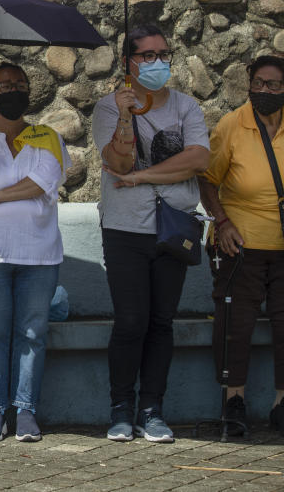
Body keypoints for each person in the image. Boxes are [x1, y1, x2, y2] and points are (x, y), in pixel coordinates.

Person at [95, 24, 210, 443]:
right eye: (147, 56)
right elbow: (117, 164)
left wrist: (144, 177)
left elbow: (196, 160)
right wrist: (126, 114)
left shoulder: (186, 107)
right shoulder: (109, 108)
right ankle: (121, 408)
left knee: (162, 322)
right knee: (130, 321)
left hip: (174, 227)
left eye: (164, 54)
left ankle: (152, 410)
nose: (158, 62)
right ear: (129, 62)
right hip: (125, 229)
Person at [0, 63, 69, 443]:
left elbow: (40, 183)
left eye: (19, 84)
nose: (13, 90)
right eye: (4, 85)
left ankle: (26, 411)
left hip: (38, 254)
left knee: (32, 334)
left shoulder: (47, 136)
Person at [198, 53, 284, 436]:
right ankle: (234, 403)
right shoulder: (232, 125)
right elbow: (207, 180)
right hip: (239, 245)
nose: (264, 91)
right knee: (236, 322)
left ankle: (282, 405)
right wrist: (223, 221)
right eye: (258, 83)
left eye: (274, 85)